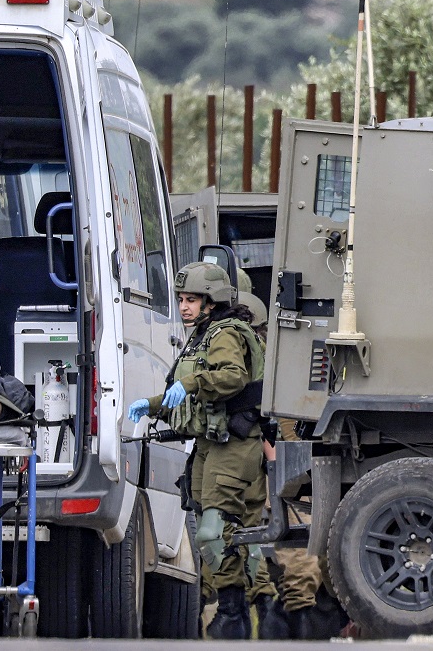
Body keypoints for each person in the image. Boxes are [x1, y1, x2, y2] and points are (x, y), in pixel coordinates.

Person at [128, 261, 265, 640]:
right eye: (182, 299)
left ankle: (238, 612)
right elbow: (188, 390)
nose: (184, 307)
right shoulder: (202, 334)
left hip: (234, 444)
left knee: (212, 530)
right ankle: (237, 609)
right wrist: (153, 403)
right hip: (209, 443)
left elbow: (232, 376)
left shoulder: (225, 333)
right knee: (210, 531)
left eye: (192, 300)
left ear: (212, 301)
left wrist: (189, 384)